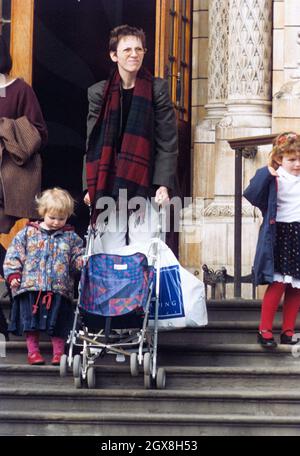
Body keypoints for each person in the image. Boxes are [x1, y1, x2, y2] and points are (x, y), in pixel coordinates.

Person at [83, 25, 178, 252]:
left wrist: (163, 184)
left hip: (145, 182)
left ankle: (140, 289)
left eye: (139, 49)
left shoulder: (158, 89)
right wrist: (89, 187)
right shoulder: (98, 92)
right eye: (127, 50)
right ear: (114, 55)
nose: (134, 54)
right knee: (110, 249)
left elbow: (167, 140)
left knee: (144, 250)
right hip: (109, 181)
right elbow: (92, 143)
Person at [0, 36, 48, 339]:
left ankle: (16, 280)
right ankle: (14, 277)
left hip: (8, 178)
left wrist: (4, 126)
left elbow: (39, 132)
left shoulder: (20, 89)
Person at [3, 188, 84, 365]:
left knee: (59, 324)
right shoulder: (28, 233)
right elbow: (14, 254)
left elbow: (75, 260)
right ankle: (33, 352)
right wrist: (13, 275)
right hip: (31, 286)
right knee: (31, 322)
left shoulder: (71, 238)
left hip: (59, 288)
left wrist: (81, 262)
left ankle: (59, 354)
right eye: (52, 217)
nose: (56, 222)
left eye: (61, 219)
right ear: (43, 213)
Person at [244, 132, 300, 348]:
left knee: (296, 287)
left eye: (299, 159)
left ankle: (288, 331)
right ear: (279, 159)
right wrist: (264, 173)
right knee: (278, 283)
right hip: (279, 235)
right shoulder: (274, 178)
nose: (297, 165)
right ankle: (265, 330)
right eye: (291, 159)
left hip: (298, 234)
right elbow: (251, 194)